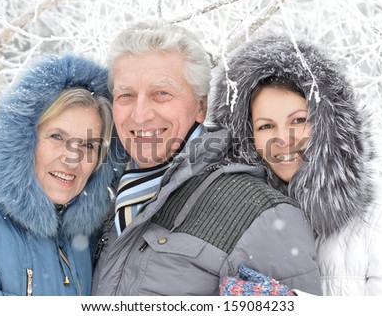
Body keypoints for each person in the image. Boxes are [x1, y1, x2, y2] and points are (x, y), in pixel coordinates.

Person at [91, 20, 322, 296]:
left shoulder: (262, 214)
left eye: (161, 93)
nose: (140, 115)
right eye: (126, 95)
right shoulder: (101, 197)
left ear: (201, 106)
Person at [210, 32, 382, 295]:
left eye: (298, 120)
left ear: (331, 123)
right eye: (266, 126)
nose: (283, 139)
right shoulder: (234, 218)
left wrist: (293, 304)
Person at [0, 54, 123, 295]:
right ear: (22, 142)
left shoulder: (98, 234)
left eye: (89, 145)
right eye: (57, 137)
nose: (73, 159)